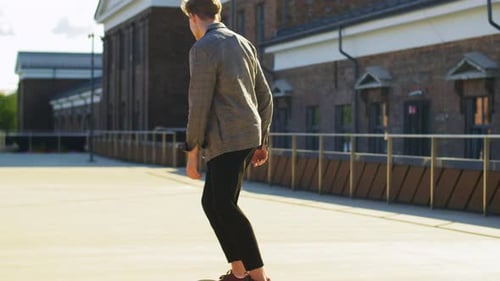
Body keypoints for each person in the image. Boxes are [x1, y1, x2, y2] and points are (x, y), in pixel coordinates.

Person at [181, 1, 273, 280]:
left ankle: (258, 277)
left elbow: (199, 104)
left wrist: (192, 151)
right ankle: (238, 270)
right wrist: (262, 139)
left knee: (223, 205)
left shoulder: (203, 48)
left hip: (227, 138)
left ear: (194, 17)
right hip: (248, 135)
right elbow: (265, 96)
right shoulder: (243, 43)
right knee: (213, 202)